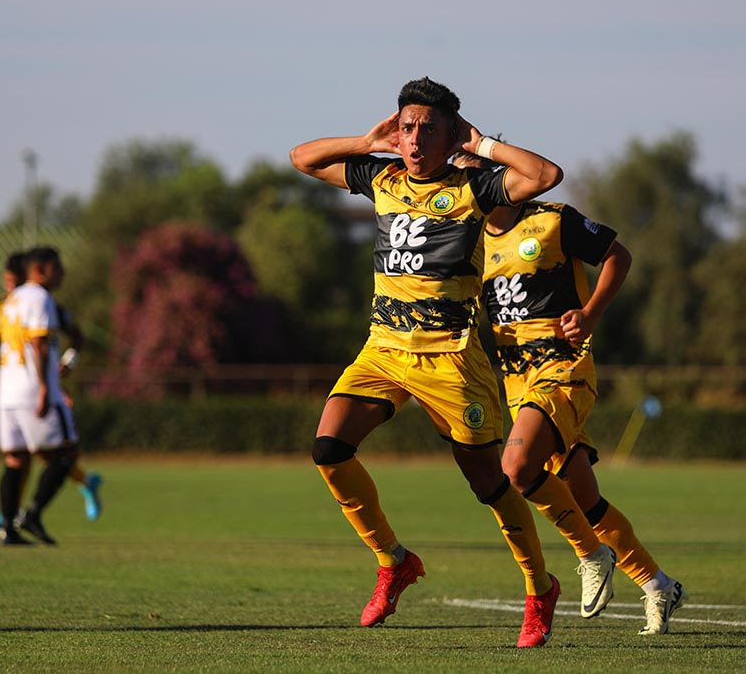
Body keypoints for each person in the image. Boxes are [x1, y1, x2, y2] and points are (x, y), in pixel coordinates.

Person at [289, 77, 566, 647]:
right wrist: (367, 142)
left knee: (489, 483)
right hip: (384, 349)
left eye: (427, 130)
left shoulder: (476, 187)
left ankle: (540, 588)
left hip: (451, 359)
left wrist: (483, 144)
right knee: (328, 448)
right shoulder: (382, 177)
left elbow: (545, 176)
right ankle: (394, 561)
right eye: (407, 127)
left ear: (450, 136)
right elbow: (301, 158)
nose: (414, 139)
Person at [454, 150, 687, 634]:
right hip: (516, 383)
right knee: (585, 501)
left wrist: (591, 313)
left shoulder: (551, 220)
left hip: (563, 368)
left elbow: (618, 255)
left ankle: (591, 555)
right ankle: (657, 584)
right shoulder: (468, 243)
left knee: (517, 468)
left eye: (472, 178)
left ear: (496, 181)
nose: (464, 190)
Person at [0, 252, 102, 532]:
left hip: (10, 394)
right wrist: (48, 387)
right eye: (57, 268)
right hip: (32, 390)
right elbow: (38, 344)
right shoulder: (38, 299)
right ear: (38, 271)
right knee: (62, 454)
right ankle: (32, 514)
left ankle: (9, 525)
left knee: (18, 458)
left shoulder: (6, 305)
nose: (8, 286)